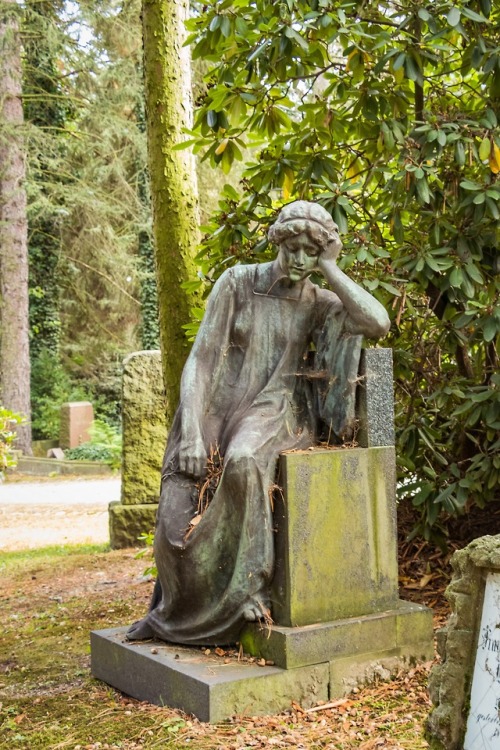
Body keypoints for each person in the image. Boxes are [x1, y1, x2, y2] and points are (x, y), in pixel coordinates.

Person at [127, 200, 390, 645]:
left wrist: (331, 269)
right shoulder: (238, 283)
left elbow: (378, 322)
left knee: (244, 459)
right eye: (294, 248)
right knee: (175, 518)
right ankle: (177, 608)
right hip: (216, 409)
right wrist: (191, 430)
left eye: (312, 251)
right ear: (278, 242)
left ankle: (247, 586)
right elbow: (202, 360)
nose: (301, 259)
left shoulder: (319, 301)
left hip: (277, 410)